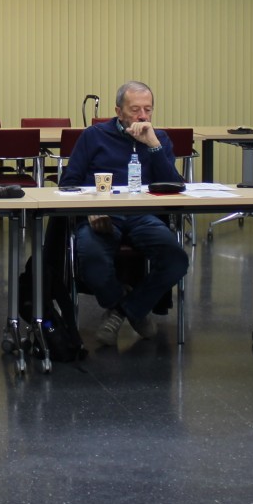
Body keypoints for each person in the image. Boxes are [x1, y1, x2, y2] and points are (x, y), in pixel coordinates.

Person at [58, 81, 189, 349]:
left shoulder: (159, 138)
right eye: (135, 110)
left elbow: (173, 185)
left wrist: (153, 145)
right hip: (102, 212)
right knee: (92, 258)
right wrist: (90, 209)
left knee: (176, 260)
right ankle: (125, 301)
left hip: (144, 215)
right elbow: (68, 183)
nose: (142, 116)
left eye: (148, 109)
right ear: (118, 111)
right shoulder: (94, 136)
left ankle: (125, 310)